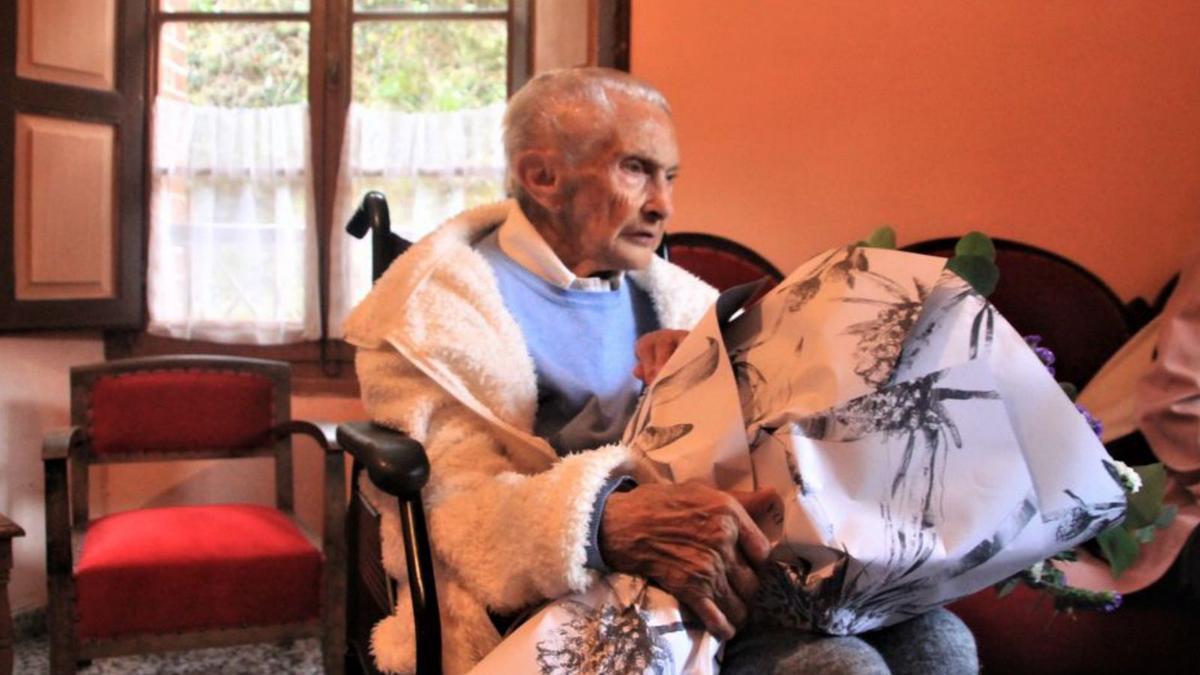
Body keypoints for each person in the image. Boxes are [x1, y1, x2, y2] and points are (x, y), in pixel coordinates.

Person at [344, 67, 977, 674]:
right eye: (636, 170)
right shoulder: (433, 314)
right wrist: (601, 520)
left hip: (730, 563)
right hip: (569, 598)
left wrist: (717, 384)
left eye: (669, 176)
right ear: (541, 175)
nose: (664, 204)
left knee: (940, 640)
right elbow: (452, 510)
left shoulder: (678, 299)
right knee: (839, 666)